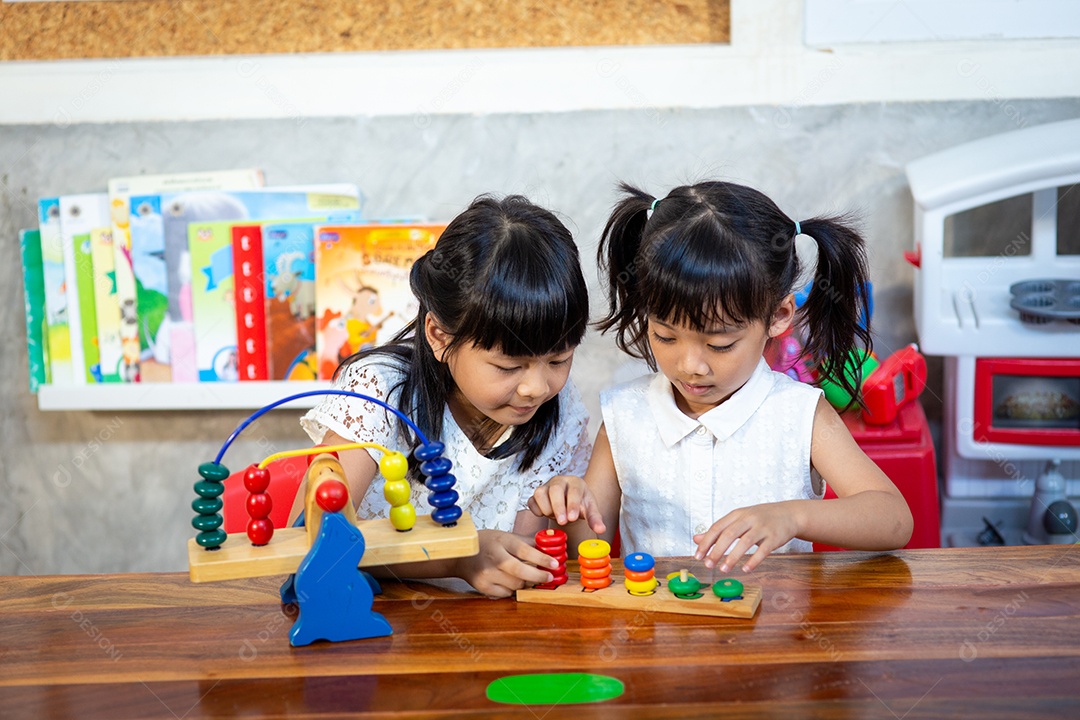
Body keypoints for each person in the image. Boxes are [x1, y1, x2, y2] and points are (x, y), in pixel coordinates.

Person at [530, 180, 914, 573]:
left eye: (719, 345)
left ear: (779, 316)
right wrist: (573, 503)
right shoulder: (625, 416)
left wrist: (792, 517)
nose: (691, 365)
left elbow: (894, 519)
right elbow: (586, 552)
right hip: (658, 630)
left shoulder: (800, 414)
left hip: (775, 629)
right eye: (665, 335)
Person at [291, 195, 592, 598]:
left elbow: (523, 563)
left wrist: (568, 507)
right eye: (508, 366)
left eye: (559, 359)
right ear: (438, 336)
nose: (536, 388)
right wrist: (457, 558)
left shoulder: (558, 408)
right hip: (373, 628)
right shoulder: (378, 394)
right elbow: (309, 542)